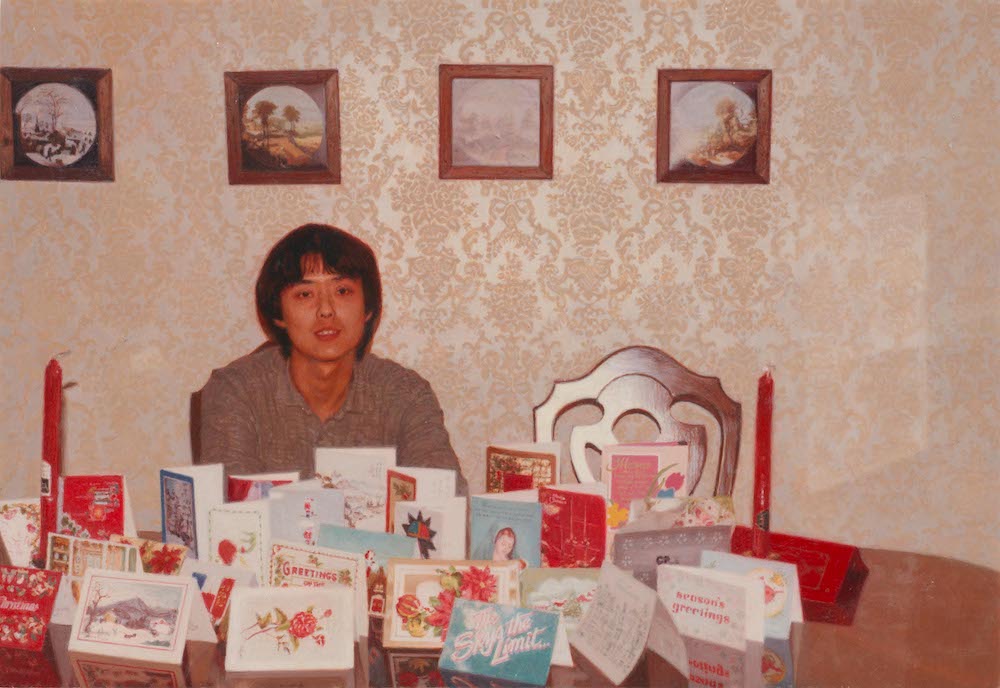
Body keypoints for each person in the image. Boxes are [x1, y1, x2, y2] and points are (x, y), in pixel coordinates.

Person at [195, 223, 468, 495]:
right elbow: (229, 509)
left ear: (368, 308)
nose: (326, 310)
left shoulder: (405, 393)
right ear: (278, 313)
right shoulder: (235, 391)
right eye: (305, 294)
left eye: (342, 291)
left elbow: (445, 498)